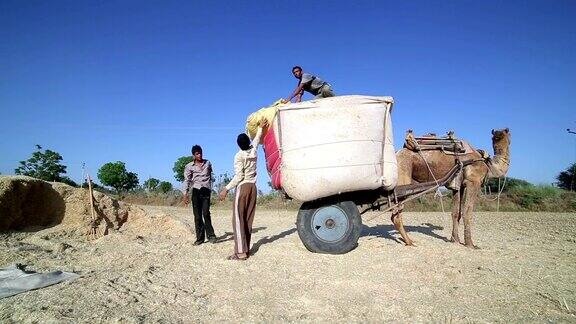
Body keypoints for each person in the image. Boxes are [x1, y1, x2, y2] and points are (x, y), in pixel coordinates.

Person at [218, 133, 259, 261]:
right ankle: (246, 249)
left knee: (238, 219)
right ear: (248, 142)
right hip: (253, 188)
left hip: (243, 187)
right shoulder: (254, 150)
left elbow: (239, 176)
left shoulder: (239, 155)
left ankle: (241, 252)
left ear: (238, 145)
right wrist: (260, 128)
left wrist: (226, 188)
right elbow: (257, 139)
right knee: (248, 219)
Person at [182, 145, 217, 245]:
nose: (200, 155)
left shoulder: (208, 163)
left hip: (206, 191)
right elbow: (187, 180)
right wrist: (185, 194)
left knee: (206, 213)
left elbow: (210, 176)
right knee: (197, 216)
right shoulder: (189, 166)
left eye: (200, 152)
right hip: (196, 192)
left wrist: (210, 188)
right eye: (197, 153)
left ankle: (211, 235)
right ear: (193, 155)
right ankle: (200, 238)